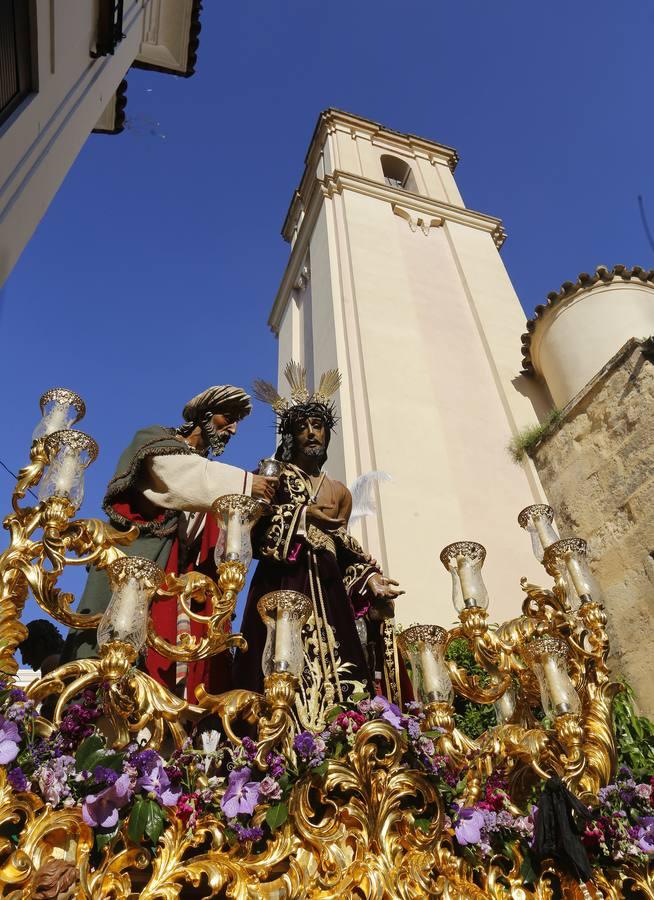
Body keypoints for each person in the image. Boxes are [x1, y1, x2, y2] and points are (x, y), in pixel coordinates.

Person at [62, 385, 278, 703]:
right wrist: (246, 483)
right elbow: (180, 478)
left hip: (184, 593)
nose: (232, 429)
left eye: (236, 423)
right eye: (227, 418)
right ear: (204, 416)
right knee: (115, 663)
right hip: (141, 571)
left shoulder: (207, 477)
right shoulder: (156, 442)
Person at [235, 363, 407, 729]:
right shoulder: (273, 474)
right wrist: (302, 517)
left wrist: (368, 578)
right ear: (290, 436)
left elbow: (344, 548)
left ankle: (340, 733)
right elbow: (252, 531)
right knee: (277, 667)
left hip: (328, 589)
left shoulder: (339, 491)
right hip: (284, 581)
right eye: (302, 428)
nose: (311, 434)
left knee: (343, 668)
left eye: (318, 427)